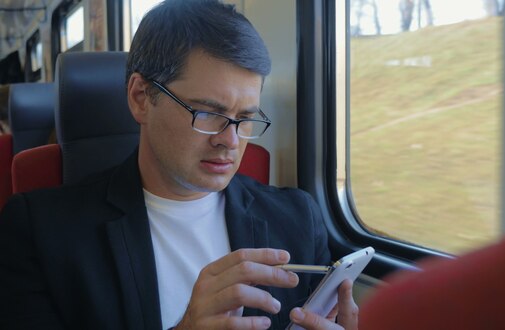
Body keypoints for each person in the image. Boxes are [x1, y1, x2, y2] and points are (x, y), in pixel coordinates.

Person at [0, 1, 358, 329]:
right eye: (207, 112)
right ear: (141, 98)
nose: (230, 140)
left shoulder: (298, 217)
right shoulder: (39, 232)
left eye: (245, 118)